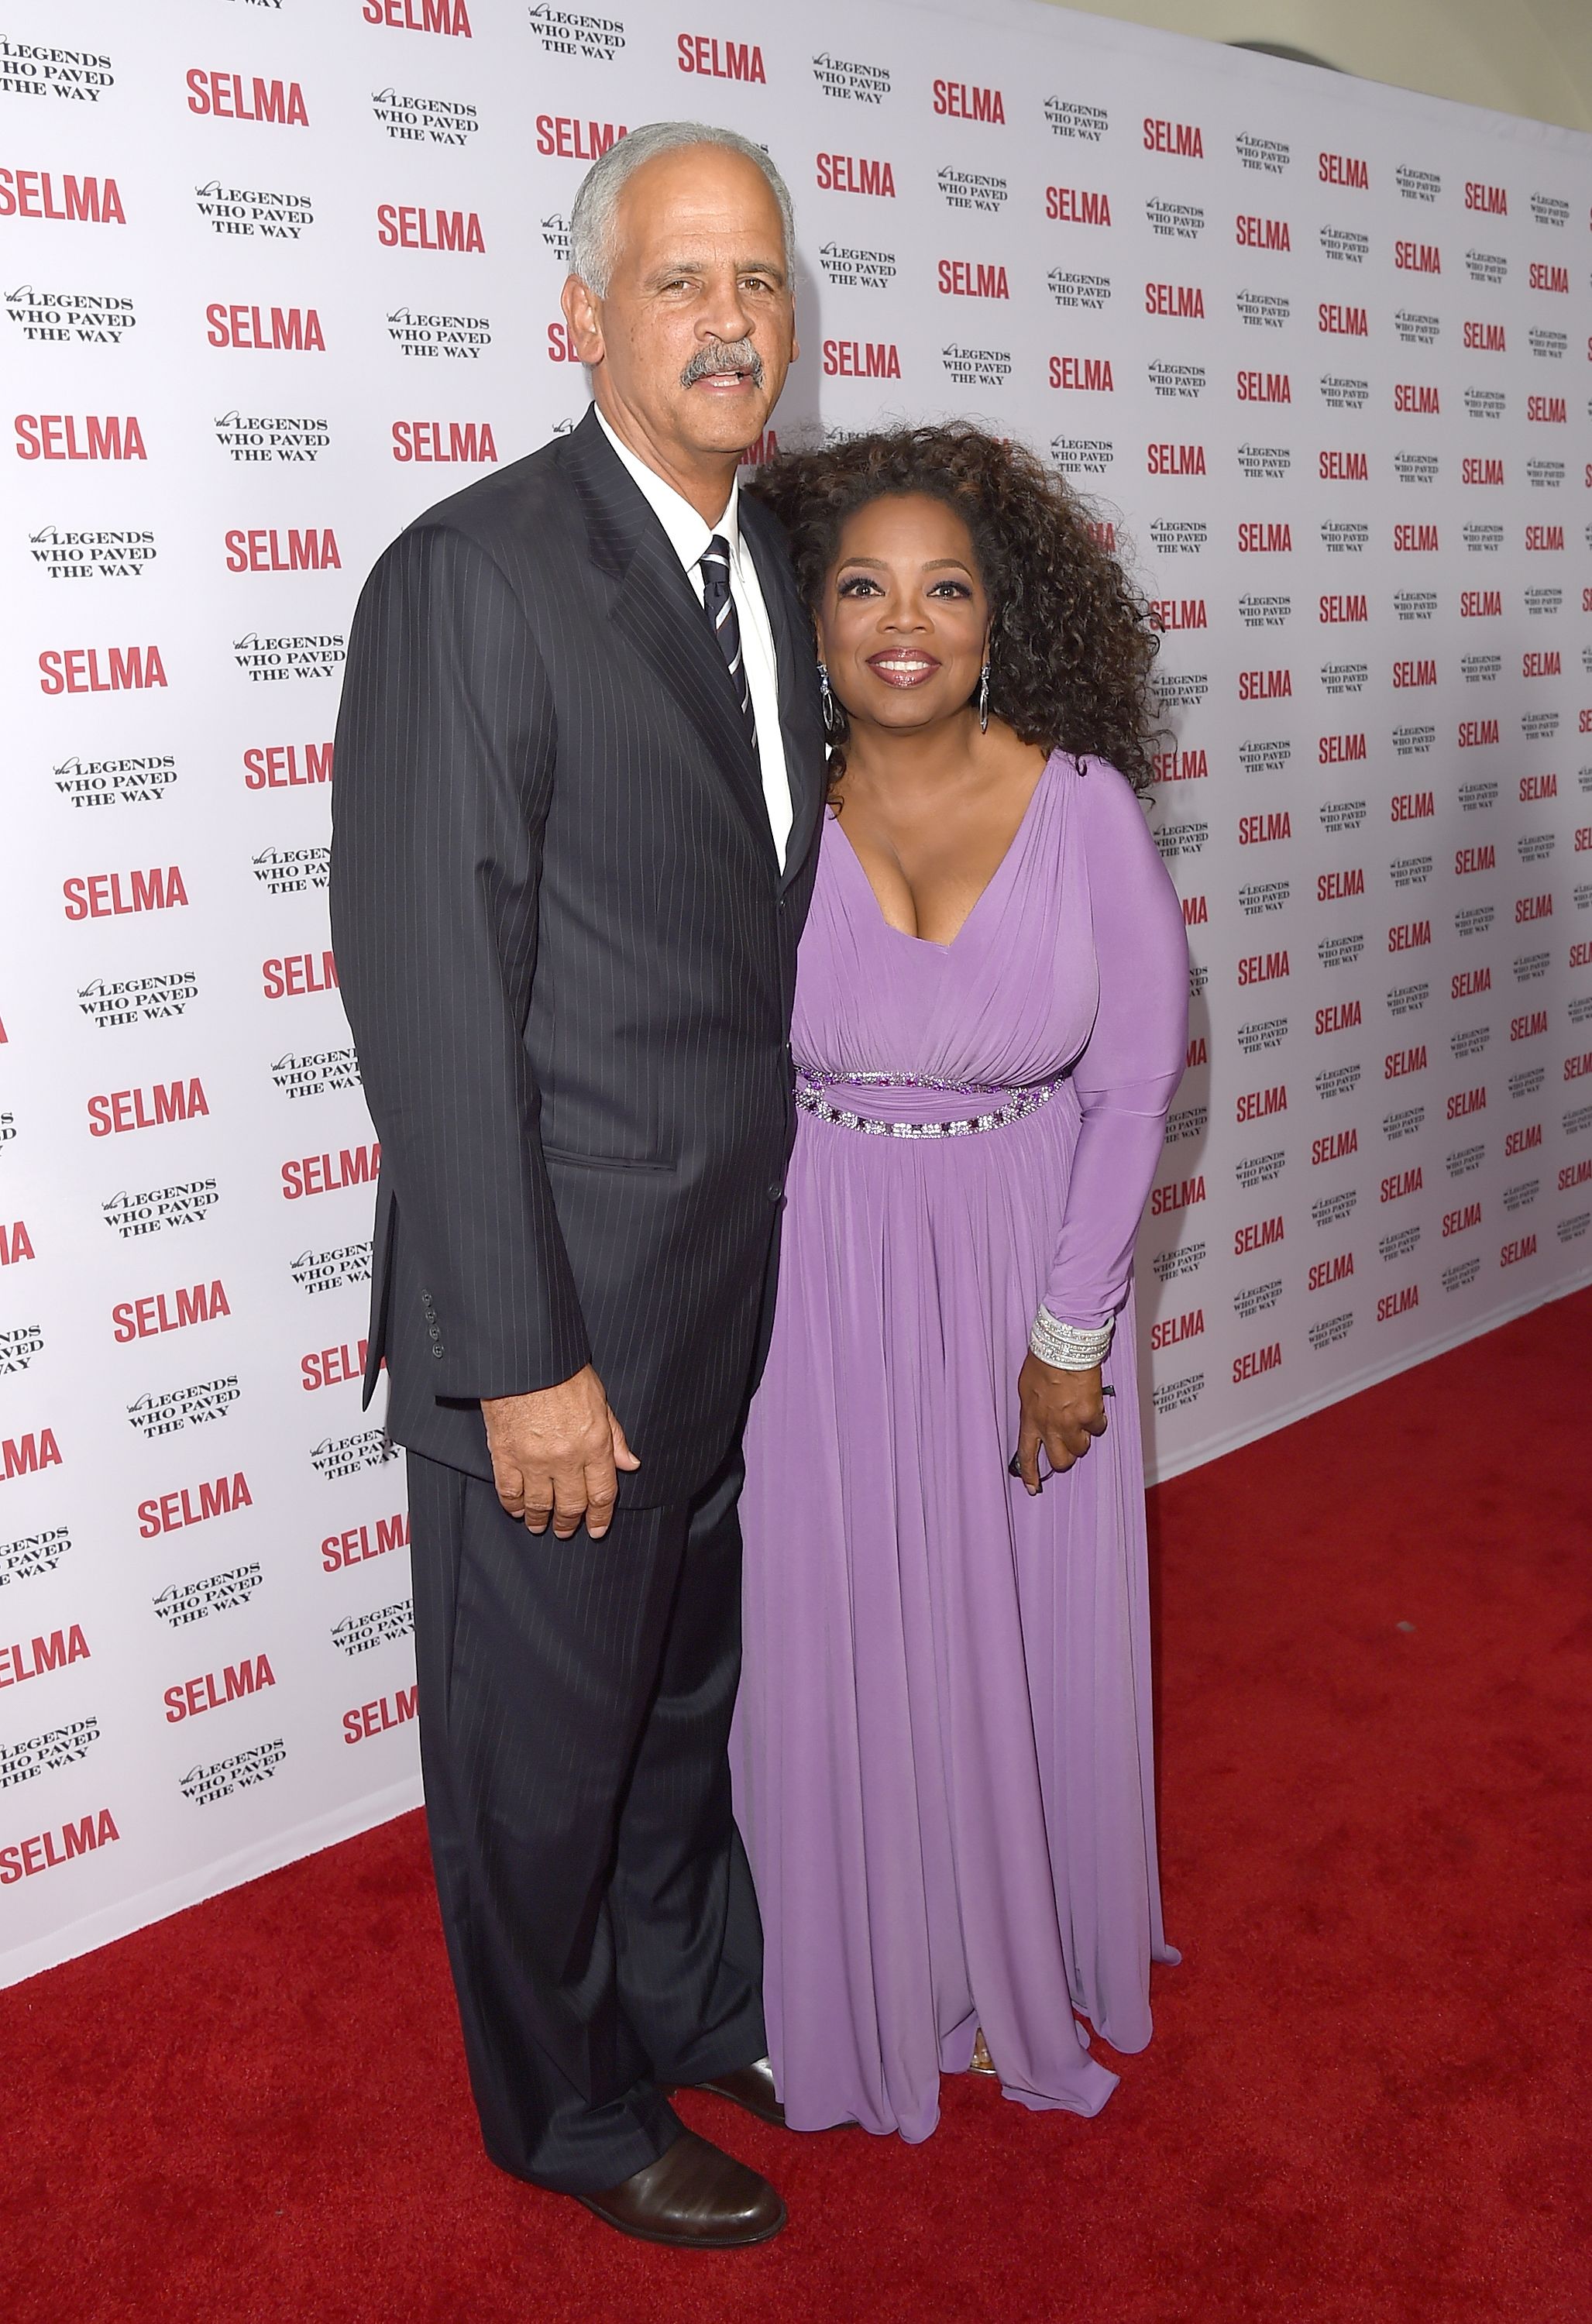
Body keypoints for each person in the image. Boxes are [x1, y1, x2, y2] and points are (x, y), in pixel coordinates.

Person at [328, 123, 825, 2248]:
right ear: (586, 320)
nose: (731, 320)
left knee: (678, 1709)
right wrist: (519, 1358)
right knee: (540, 1757)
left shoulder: (782, 569)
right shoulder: (478, 572)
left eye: (762, 280)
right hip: (564, 1331)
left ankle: (694, 1993)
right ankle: (568, 2107)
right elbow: (432, 994)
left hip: (730, 1298)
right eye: (681, 282)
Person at [731, 425, 1188, 2142]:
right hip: (819, 1274)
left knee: (1014, 1619)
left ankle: (1017, 1954)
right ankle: (864, 1972)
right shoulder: (773, 801)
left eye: (942, 586)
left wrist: (1066, 1337)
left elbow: (1132, 1082)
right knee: (836, 1626)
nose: (899, 622)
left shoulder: (1078, 805)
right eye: (859, 586)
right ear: (812, 615)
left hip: (1021, 1267)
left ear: (999, 617)